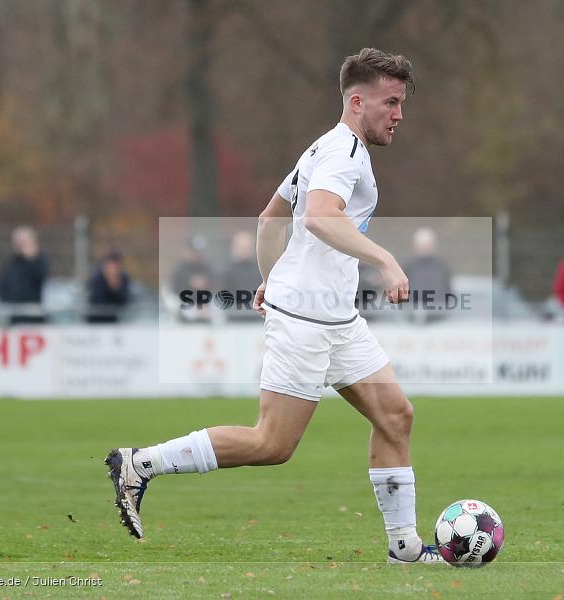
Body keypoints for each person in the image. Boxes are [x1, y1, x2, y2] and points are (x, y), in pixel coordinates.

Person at [104, 48, 442, 563]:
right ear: (357, 102)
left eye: (400, 104)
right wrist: (386, 261)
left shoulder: (323, 148)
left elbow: (270, 219)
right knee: (272, 444)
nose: (399, 114)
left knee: (396, 416)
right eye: (390, 103)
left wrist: (270, 278)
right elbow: (320, 217)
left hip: (336, 318)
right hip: (308, 319)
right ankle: (140, 464)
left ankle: (405, 549)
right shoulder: (342, 154)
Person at [0, 226, 49, 324]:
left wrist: (31, 258)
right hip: (13, 314)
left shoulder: (39, 260)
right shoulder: (11, 262)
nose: (20, 245)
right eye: (18, 241)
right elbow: (3, 285)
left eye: (23, 241)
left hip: (33, 315)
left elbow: (41, 277)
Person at [403, 227, 453, 321]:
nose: (425, 248)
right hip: (412, 315)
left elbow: (448, 288)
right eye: (422, 245)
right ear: (415, 246)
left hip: (439, 314)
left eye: (427, 245)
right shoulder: (408, 266)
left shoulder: (442, 266)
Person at [220, 230, 264, 321]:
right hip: (233, 318)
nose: (245, 251)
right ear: (234, 248)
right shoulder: (226, 271)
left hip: (257, 319)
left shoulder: (261, 270)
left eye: (248, 248)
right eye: (242, 247)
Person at [87, 250, 131, 324]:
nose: (113, 268)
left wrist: (115, 287)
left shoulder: (123, 278)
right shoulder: (98, 278)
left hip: (116, 319)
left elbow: (124, 302)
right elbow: (97, 302)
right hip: (96, 319)